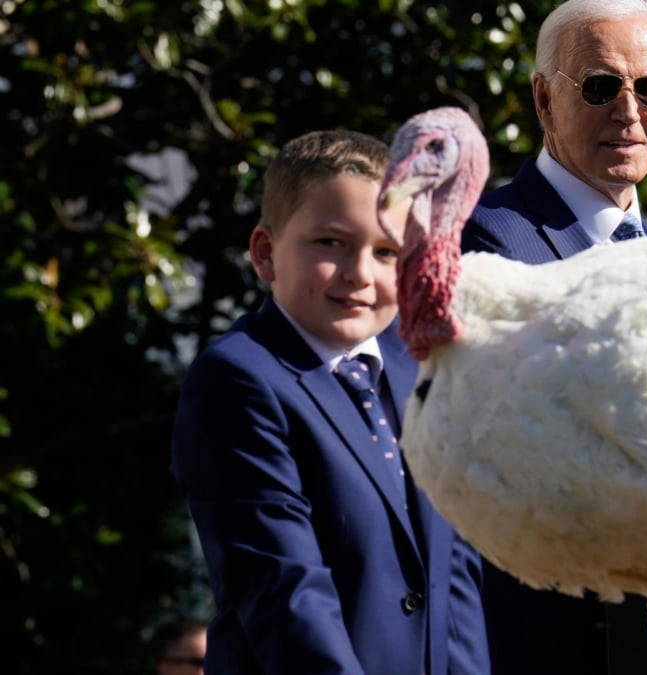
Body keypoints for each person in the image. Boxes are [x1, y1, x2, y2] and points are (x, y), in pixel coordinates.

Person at [170, 129, 490, 675]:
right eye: (331, 243)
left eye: (386, 251)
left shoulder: (422, 367)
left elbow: (454, 576)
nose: (360, 274)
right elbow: (285, 590)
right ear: (266, 254)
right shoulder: (241, 379)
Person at [460, 1, 647, 673]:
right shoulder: (487, 244)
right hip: (543, 644)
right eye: (600, 86)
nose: (628, 110)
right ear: (543, 97)